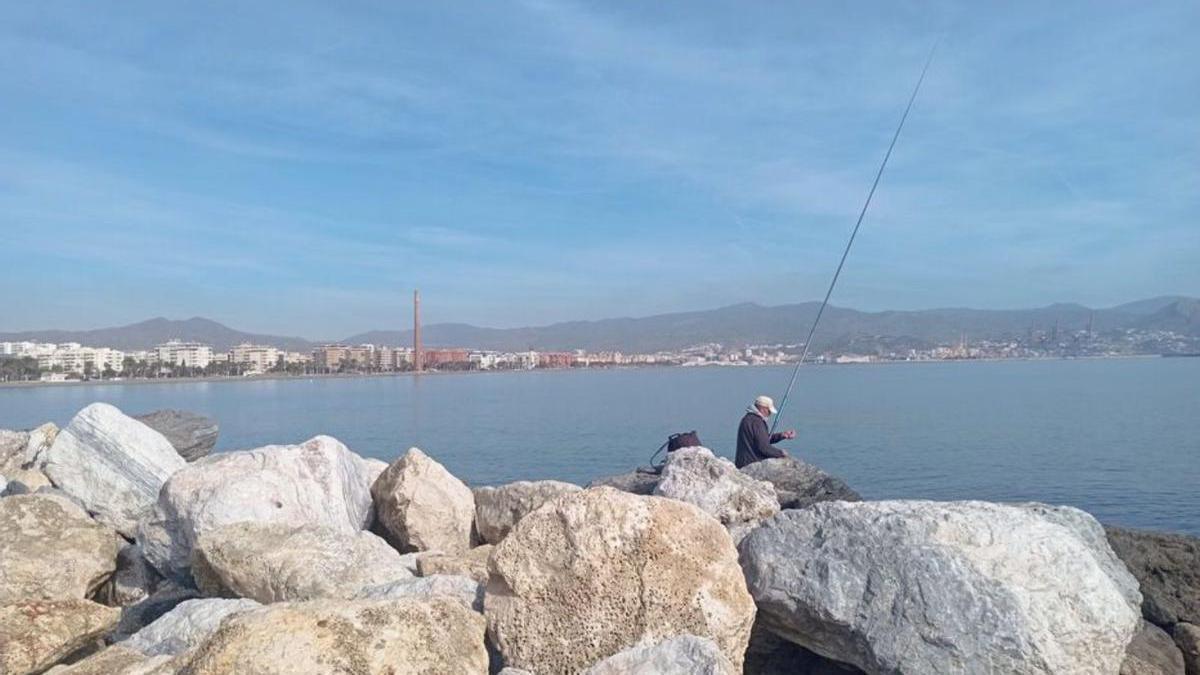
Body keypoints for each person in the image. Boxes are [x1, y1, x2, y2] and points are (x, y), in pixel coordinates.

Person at [735, 395, 797, 468]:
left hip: (743, 462)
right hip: (751, 465)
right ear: (762, 408)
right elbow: (764, 448)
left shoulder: (748, 419)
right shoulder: (756, 422)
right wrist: (781, 453)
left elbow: (762, 439)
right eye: (769, 410)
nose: (770, 413)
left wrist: (782, 435)